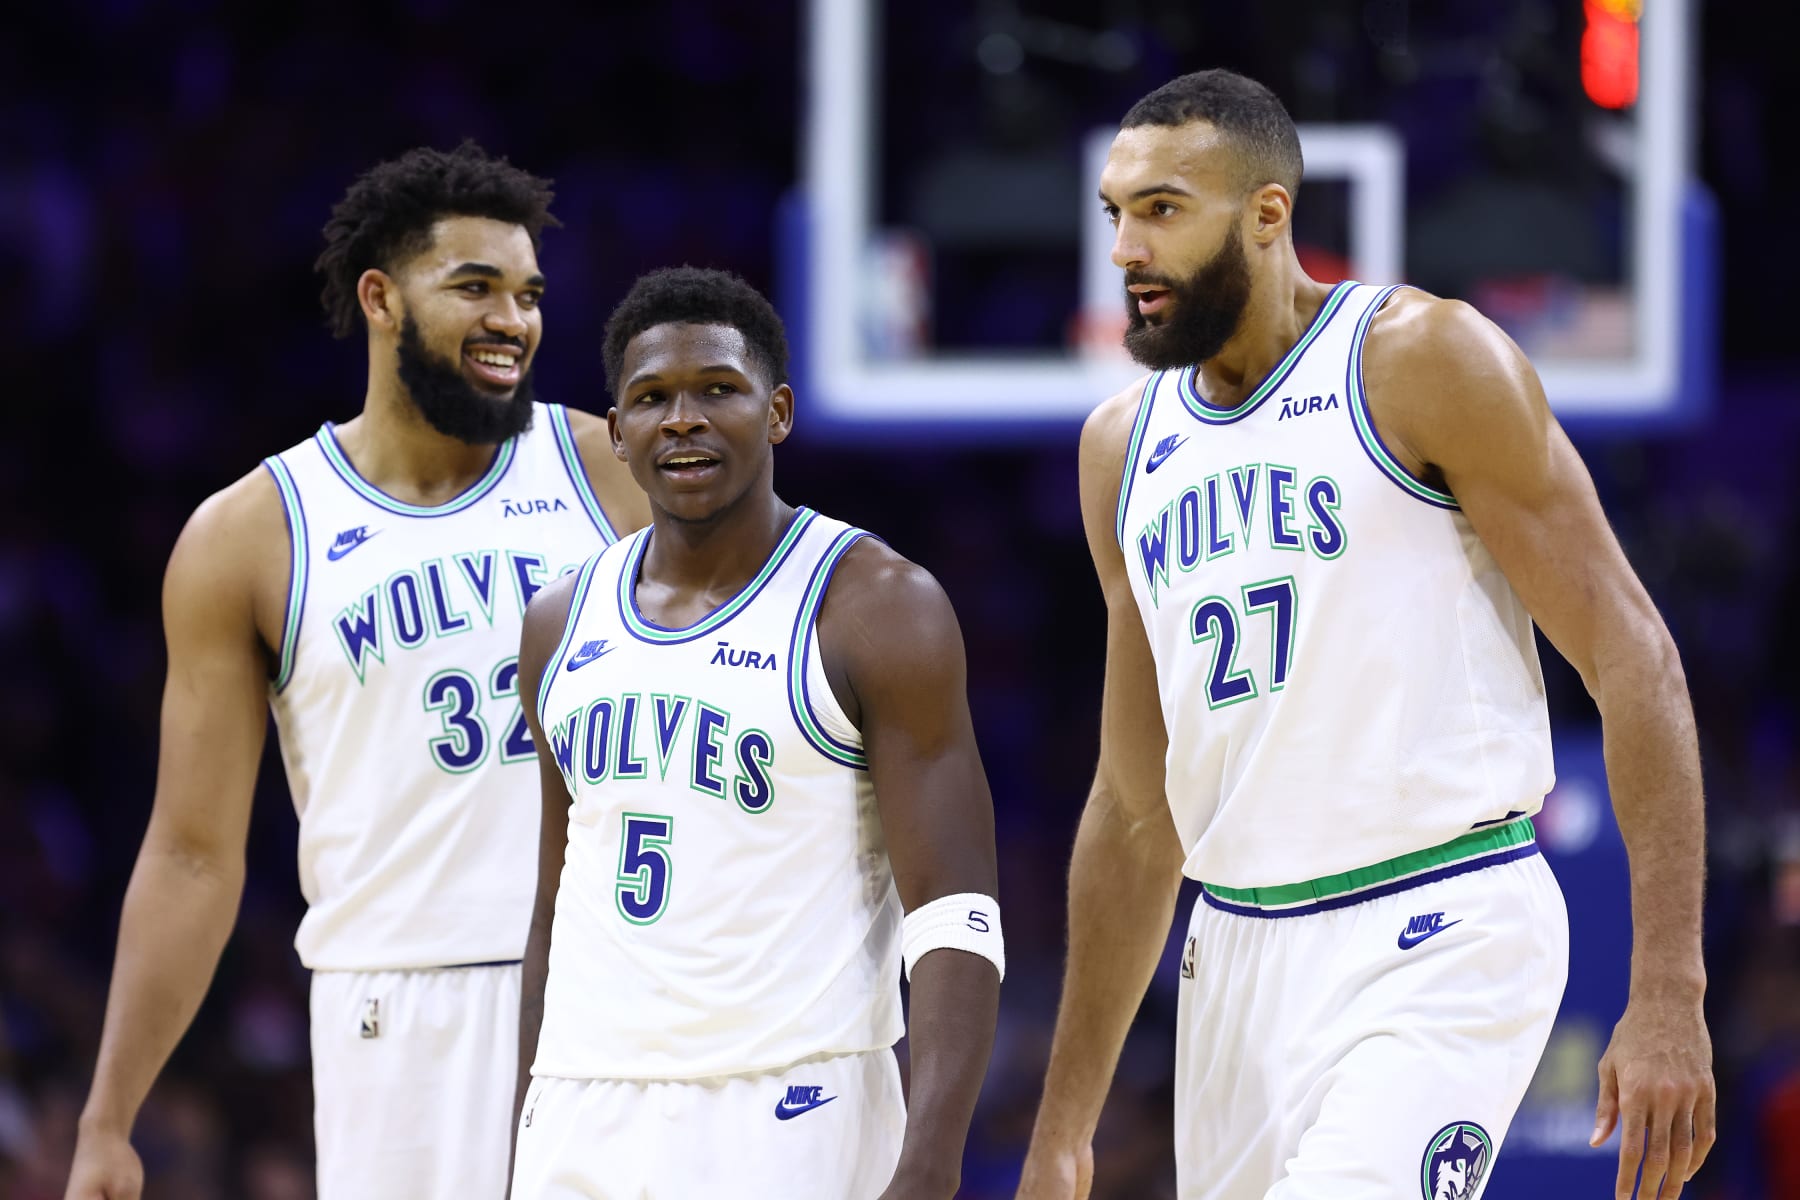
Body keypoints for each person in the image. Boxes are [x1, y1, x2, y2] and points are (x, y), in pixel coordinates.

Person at [1015, 70, 1714, 1200]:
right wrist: (1063, 1128)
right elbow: (1138, 810)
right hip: (1234, 955)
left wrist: (1670, 991)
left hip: (1439, 921)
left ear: (1267, 214)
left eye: (1163, 210)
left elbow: (1637, 657)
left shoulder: (1422, 360)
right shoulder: (1122, 449)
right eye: (1116, 214)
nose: (1127, 249)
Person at [64, 142, 650, 1200]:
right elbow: (195, 854)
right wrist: (110, 1116)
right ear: (381, 299)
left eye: (528, 294)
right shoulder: (250, 535)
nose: (514, 320)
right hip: (396, 1010)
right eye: (474, 287)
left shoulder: (609, 467)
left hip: (620, 978)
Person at [507, 266, 1001, 1199]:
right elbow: (552, 906)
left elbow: (955, 906)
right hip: (584, 1098)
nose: (682, 418)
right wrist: (523, 1119)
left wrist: (932, 1156)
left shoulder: (877, 607)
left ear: (776, 412)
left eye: (717, 391)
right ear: (617, 433)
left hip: (792, 1102)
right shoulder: (559, 621)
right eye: (651, 398)